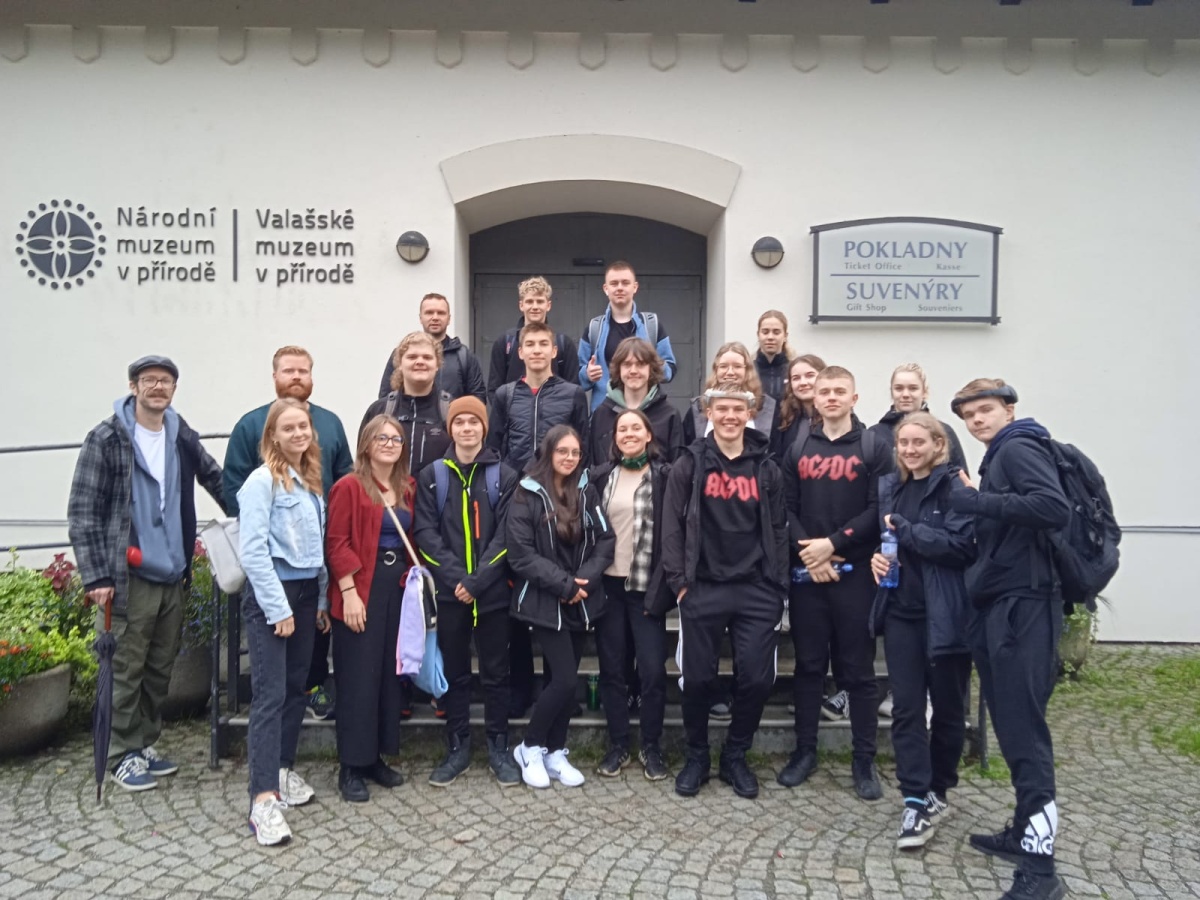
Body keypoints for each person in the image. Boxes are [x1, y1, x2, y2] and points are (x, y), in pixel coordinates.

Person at [68, 355, 226, 791]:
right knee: (125, 667)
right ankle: (120, 753)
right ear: (133, 387)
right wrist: (96, 577)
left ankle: (142, 742)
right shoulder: (106, 438)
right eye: (149, 380)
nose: (158, 387)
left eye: (166, 381)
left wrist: (254, 514)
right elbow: (83, 511)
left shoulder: (179, 434)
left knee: (159, 668)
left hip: (173, 571)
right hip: (128, 577)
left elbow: (214, 477)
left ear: (174, 389)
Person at [949, 379, 1070, 900]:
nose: (977, 420)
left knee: (1025, 732)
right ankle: (1024, 831)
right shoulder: (1002, 452)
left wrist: (979, 501)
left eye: (986, 410)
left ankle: (1040, 870)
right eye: (970, 415)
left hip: (1026, 606)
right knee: (1012, 723)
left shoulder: (1019, 447)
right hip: (1005, 604)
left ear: (1009, 410)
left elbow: (1052, 507)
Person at [663, 387, 789, 800]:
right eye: (722, 409)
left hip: (756, 588)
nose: (730, 416)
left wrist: (777, 586)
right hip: (702, 586)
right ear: (708, 413)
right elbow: (672, 525)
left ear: (749, 413)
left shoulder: (766, 467)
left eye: (738, 409)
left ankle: (735, 755)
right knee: (698, 679)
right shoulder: (689, 463)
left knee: (757, 678)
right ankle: (697, 756)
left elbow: (778, 528)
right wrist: (679, 582)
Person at [779, 365, 892, 801]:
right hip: (808, 574)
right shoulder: (798, 447)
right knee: (808, 668)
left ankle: (863, 760)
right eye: (824, 391)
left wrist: (833, 544)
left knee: (858, 672)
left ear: (853, 398)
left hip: (856, 575)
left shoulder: (874, 447)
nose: (830, 397)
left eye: (839, 391)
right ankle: (804, 752)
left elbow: (878, 508)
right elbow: (785, 508)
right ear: (815, 397)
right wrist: (811, 553)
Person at [225, 345, 353, 722]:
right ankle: (276, 708)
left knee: (316, 625)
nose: (296, 376)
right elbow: (232, 483)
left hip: (319, 545)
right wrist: (263, 530)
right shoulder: (251, 425)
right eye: (288, 370)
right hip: (274, 556)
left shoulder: (330, 423)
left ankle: (313, 687)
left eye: (303, 371)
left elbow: (344, 476)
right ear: (274, 376)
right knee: (276, 655)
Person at [868, 412, 975, 850]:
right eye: (904, 443)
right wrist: (879, 559)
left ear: (938, 445)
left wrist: (910, 532)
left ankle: (939, 789)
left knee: (948, 710)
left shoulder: (954, 488)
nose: (910, 450)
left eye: (919, 443)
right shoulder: (891, 487)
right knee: (907, 709)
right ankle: (914, 798)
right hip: (901, 612)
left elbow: (962, 546)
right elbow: (889, 540)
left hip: (946, 614)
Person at [412, 397, 523, 788]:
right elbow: (425, 534)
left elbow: (508, 535)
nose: (466, 428)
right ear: (450, 429)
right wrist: (458, 579)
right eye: (459, 422)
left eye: (473, 422)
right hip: (449, 595)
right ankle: (457, 746)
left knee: (496, 674)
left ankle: (498, 746)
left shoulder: (504, 476)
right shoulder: (432, 476)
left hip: (491, 595)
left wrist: (476, 581)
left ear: (484, 428)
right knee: (456, 673)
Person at [238, 398, 330, 845]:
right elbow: (253, 551)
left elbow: (317, 550)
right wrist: (279, 609)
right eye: (288, 428)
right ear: (272, 435)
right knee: (270, 696)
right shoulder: (262, 483)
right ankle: (262, 800)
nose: (298, 434)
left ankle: (282, 770)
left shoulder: (310, 482)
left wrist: (321, 600)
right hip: (274, 598)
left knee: (297, 688)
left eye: (303, 427)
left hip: (307, 594)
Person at [507, 426, 615, 788]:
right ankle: (529, 747)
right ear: (548, 452)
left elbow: (606, 539)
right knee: (567, 680)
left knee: (562, 681)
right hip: (545, 599)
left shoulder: (586, 490)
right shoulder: (526, 493)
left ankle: (554, 751)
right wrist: (564, 585)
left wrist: (584, 580)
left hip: (580, 598)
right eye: (562, 451)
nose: (569, 458)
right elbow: (521, 554)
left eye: (575, 452)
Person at [324, 414, 414, 803]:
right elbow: (336, 542)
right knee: (358, 677)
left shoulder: (407, 487)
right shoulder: (349, 486)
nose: (390, 444)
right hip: (361, 586)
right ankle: (351, 765)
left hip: (397, 588)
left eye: (396, 439)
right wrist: (348, 592)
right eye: (382, 438)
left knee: (387, 678)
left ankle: (375, 756)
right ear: (366, 444)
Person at [590, 408, 674, 781]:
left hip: (646, 587)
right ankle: (619, 745)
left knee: (653, 671)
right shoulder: (601, 477)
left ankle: (651, 746)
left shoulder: (664, 476)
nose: (628, 434)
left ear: (648, 435)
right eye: (622, 429)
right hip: (609, 586)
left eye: (635, 428)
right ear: (615, 438)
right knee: (612, 670)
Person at [489, 321, 592, 473]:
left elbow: (583, 448)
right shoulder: (504, 395)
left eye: (543, 344)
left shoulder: (573, 394)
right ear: (520, 352)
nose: (537, 350)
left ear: (554, 351)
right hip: (515, 483)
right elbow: (493, 448)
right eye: (530, 344)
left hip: (559, 482)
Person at [578, 261, 677, 412]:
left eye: (625, 283)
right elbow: (577, 378)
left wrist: (653, 364)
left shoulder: (652, 325)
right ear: (606, 288)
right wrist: (587, 374)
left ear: (635, 287)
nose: (619, 288)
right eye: (614, 283)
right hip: (605, 412)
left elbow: (670, 370)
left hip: (646, 412)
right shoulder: (594, 328)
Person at [362, 331, 452, 475]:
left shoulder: (451, 411)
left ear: (437, 365)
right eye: (412, 357)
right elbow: (363, 463)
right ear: (400, 364)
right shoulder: (379, 410)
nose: (420, 361)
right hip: (386, 490)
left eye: (427, 357)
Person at [588, 337, 684, 465]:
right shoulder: (601, 414)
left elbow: (677, 468)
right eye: (627, 364)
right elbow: (594, 464)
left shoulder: (669, 415)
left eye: (640, 364)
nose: (633, 371)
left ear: (651, 369)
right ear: (619, 369)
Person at [378, 292, 486, 403]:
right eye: (429, 313)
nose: (435, 317)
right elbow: (386, 397)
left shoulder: (464, 356)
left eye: (441, 313)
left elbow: (477, 399)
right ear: (420, 318)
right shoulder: (403, 353)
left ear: (449, 319)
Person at [487, 276, 579, 400]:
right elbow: (494, 390)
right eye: (529, 301)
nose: (535, 307)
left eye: (540, 301)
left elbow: (573, 390)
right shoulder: (505, 343)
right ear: (521, 305)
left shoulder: (564, 344)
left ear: (548, 305)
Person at [867, 363, 967, 471]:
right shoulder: (874, 435)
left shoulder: (943, 432)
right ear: (892, 392)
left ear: (924, 392)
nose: (905, 394)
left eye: (913, 388)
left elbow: (961, 477)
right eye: (899, 388)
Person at [683, 342, 778, 446]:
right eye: (723, 366)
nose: (730, 372)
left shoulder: (766, 407)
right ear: (716, 369)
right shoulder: (698, 408)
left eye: (737, 366)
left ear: (747, 370)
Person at [771, 354, 826, 459]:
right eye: (796, 378)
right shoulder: (783, 417)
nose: (803, 383)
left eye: (810, 376)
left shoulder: (838, 416)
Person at [753, 310, 794, 404]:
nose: (770, 337)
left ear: (785, 336)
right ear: (758, 335)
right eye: (765, 332)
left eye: (776, 332)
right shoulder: (749, 371)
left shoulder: (793, 371)